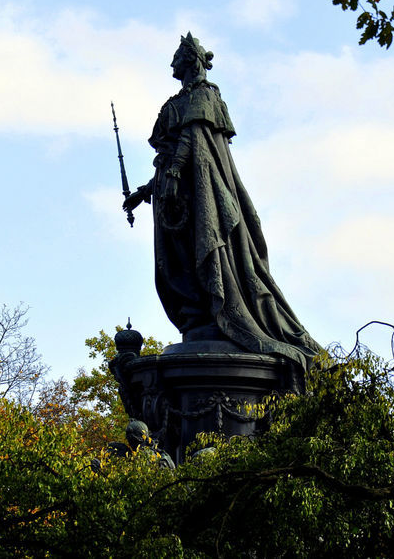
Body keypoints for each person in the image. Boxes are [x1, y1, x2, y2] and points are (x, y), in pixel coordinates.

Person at [123, 33, 321, 372]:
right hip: (177, 201)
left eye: (186, 64)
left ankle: (223, 313)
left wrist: (172, 173)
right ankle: (199, 315)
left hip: (203, 196)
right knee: (180, 260)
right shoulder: (180, 100)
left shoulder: (204, 97)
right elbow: (171, 149)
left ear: (196, 63)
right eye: (179, 67)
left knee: (209, 249)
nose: (183, 71)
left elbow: (192, 138)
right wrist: (145, 191)